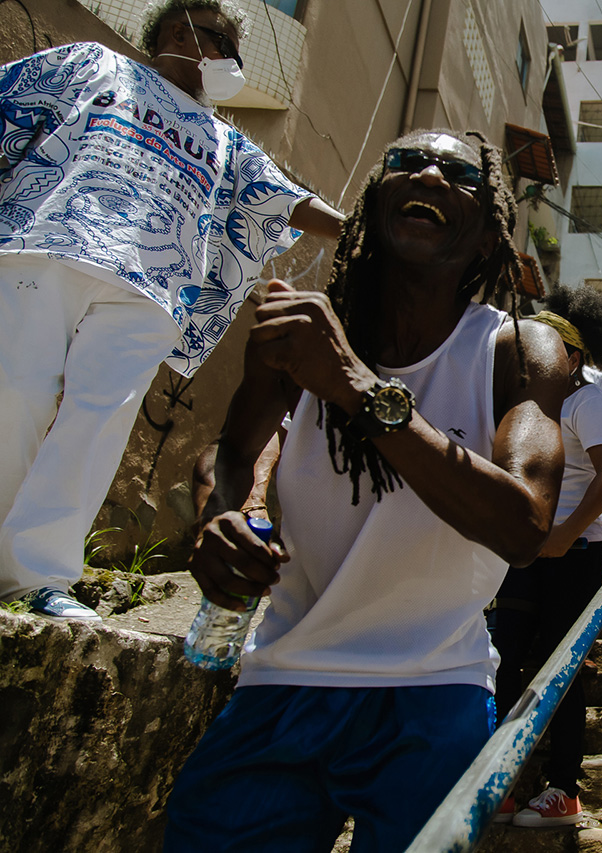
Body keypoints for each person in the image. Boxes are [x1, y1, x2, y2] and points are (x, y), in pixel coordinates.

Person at [163, 129, 567, 852]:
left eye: (459, 174)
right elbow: (231, 452)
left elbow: (523, 527)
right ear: (371, 207)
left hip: (434, 690)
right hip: (282, 681)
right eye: (408, 163)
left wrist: (356, 387)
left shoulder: (516, 348)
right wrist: (220, 516)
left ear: (486, 237)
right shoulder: (301, 331)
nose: (431, 176)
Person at [0, 0, 344, 620]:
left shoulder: (226, 141)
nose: (233, 62)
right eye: (224, 44)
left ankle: (35, 577)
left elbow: (286, 200)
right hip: (47, 244)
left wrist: (364, 231)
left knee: (96, 423)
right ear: (180, 32)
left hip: (152, 288)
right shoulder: (94, 65)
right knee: (13, 394)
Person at [491, 285, 602, 827]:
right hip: (524, 552)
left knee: (559, 663)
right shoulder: (523, 400)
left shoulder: (588, 400)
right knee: (503, 657)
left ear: (572, 358)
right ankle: (498, 782)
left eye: (548, 347)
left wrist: (567, 533)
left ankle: (565, 789)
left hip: (575, 552)